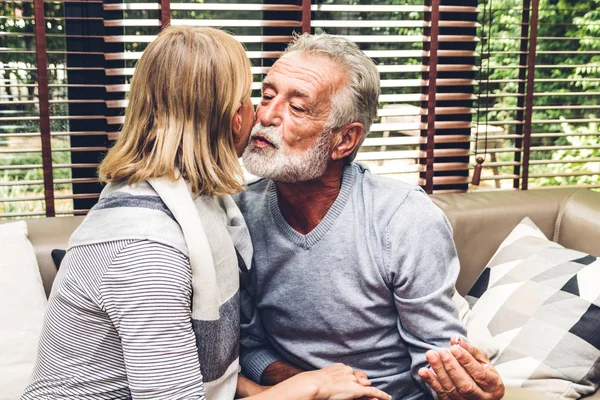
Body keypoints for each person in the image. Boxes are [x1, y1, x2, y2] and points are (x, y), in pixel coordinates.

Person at [21, 27, 390, 400]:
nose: (261, 113)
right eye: (254, 97)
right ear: (232, 119)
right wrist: (309, 387)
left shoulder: (198, 205)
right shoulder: (146, 249)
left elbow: (194, 374)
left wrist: (264, 387)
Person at [234, 33, 506, 400]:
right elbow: (249, 347)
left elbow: (435, 360)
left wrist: (465, 388)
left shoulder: (404, 220)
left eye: (297, 108)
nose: (265, 115)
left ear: (344, 140)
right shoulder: (239, 214)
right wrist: (316, 388)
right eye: (267, 96)